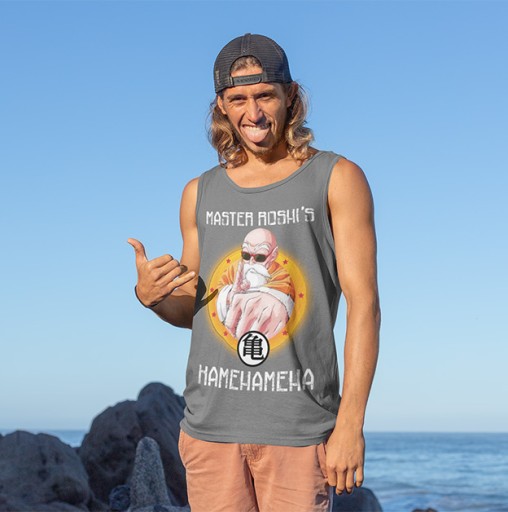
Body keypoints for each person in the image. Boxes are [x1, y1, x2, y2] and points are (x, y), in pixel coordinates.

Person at [128, 33, 380, 512]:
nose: (254, 113)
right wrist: (152, 297)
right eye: (238, 99)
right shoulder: (198, 192)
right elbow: (194, 310)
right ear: (221, 106)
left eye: (265, 95)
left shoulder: (337, 178)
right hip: (209, 431)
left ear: (290, 96)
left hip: (299, 432)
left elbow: (365, 305)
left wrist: (351, 423)